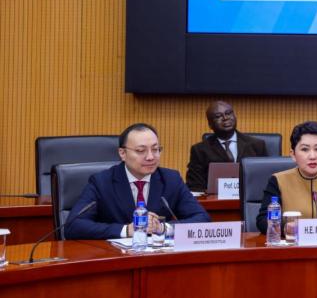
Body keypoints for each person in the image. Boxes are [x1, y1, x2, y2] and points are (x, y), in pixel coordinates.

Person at [66, 123, 211, 240]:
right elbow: (73, 226)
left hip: (158, 257)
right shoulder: (102, 182)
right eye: (141, 151)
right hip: (118, 259)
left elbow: (202, 218)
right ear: (123, 153)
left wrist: (162, 228)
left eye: (155, 149)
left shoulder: (171, 179)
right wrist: (126, 230)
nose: (150, 157)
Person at [185, 101, 269, 192]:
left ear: (235, 116)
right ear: (210, 124)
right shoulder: (200, 150)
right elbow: (194, 185)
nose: (225, 118)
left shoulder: (257, 145)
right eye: (218, 116)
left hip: (250, 198)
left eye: (228, 113)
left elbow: (266, 178)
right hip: (215, 199)